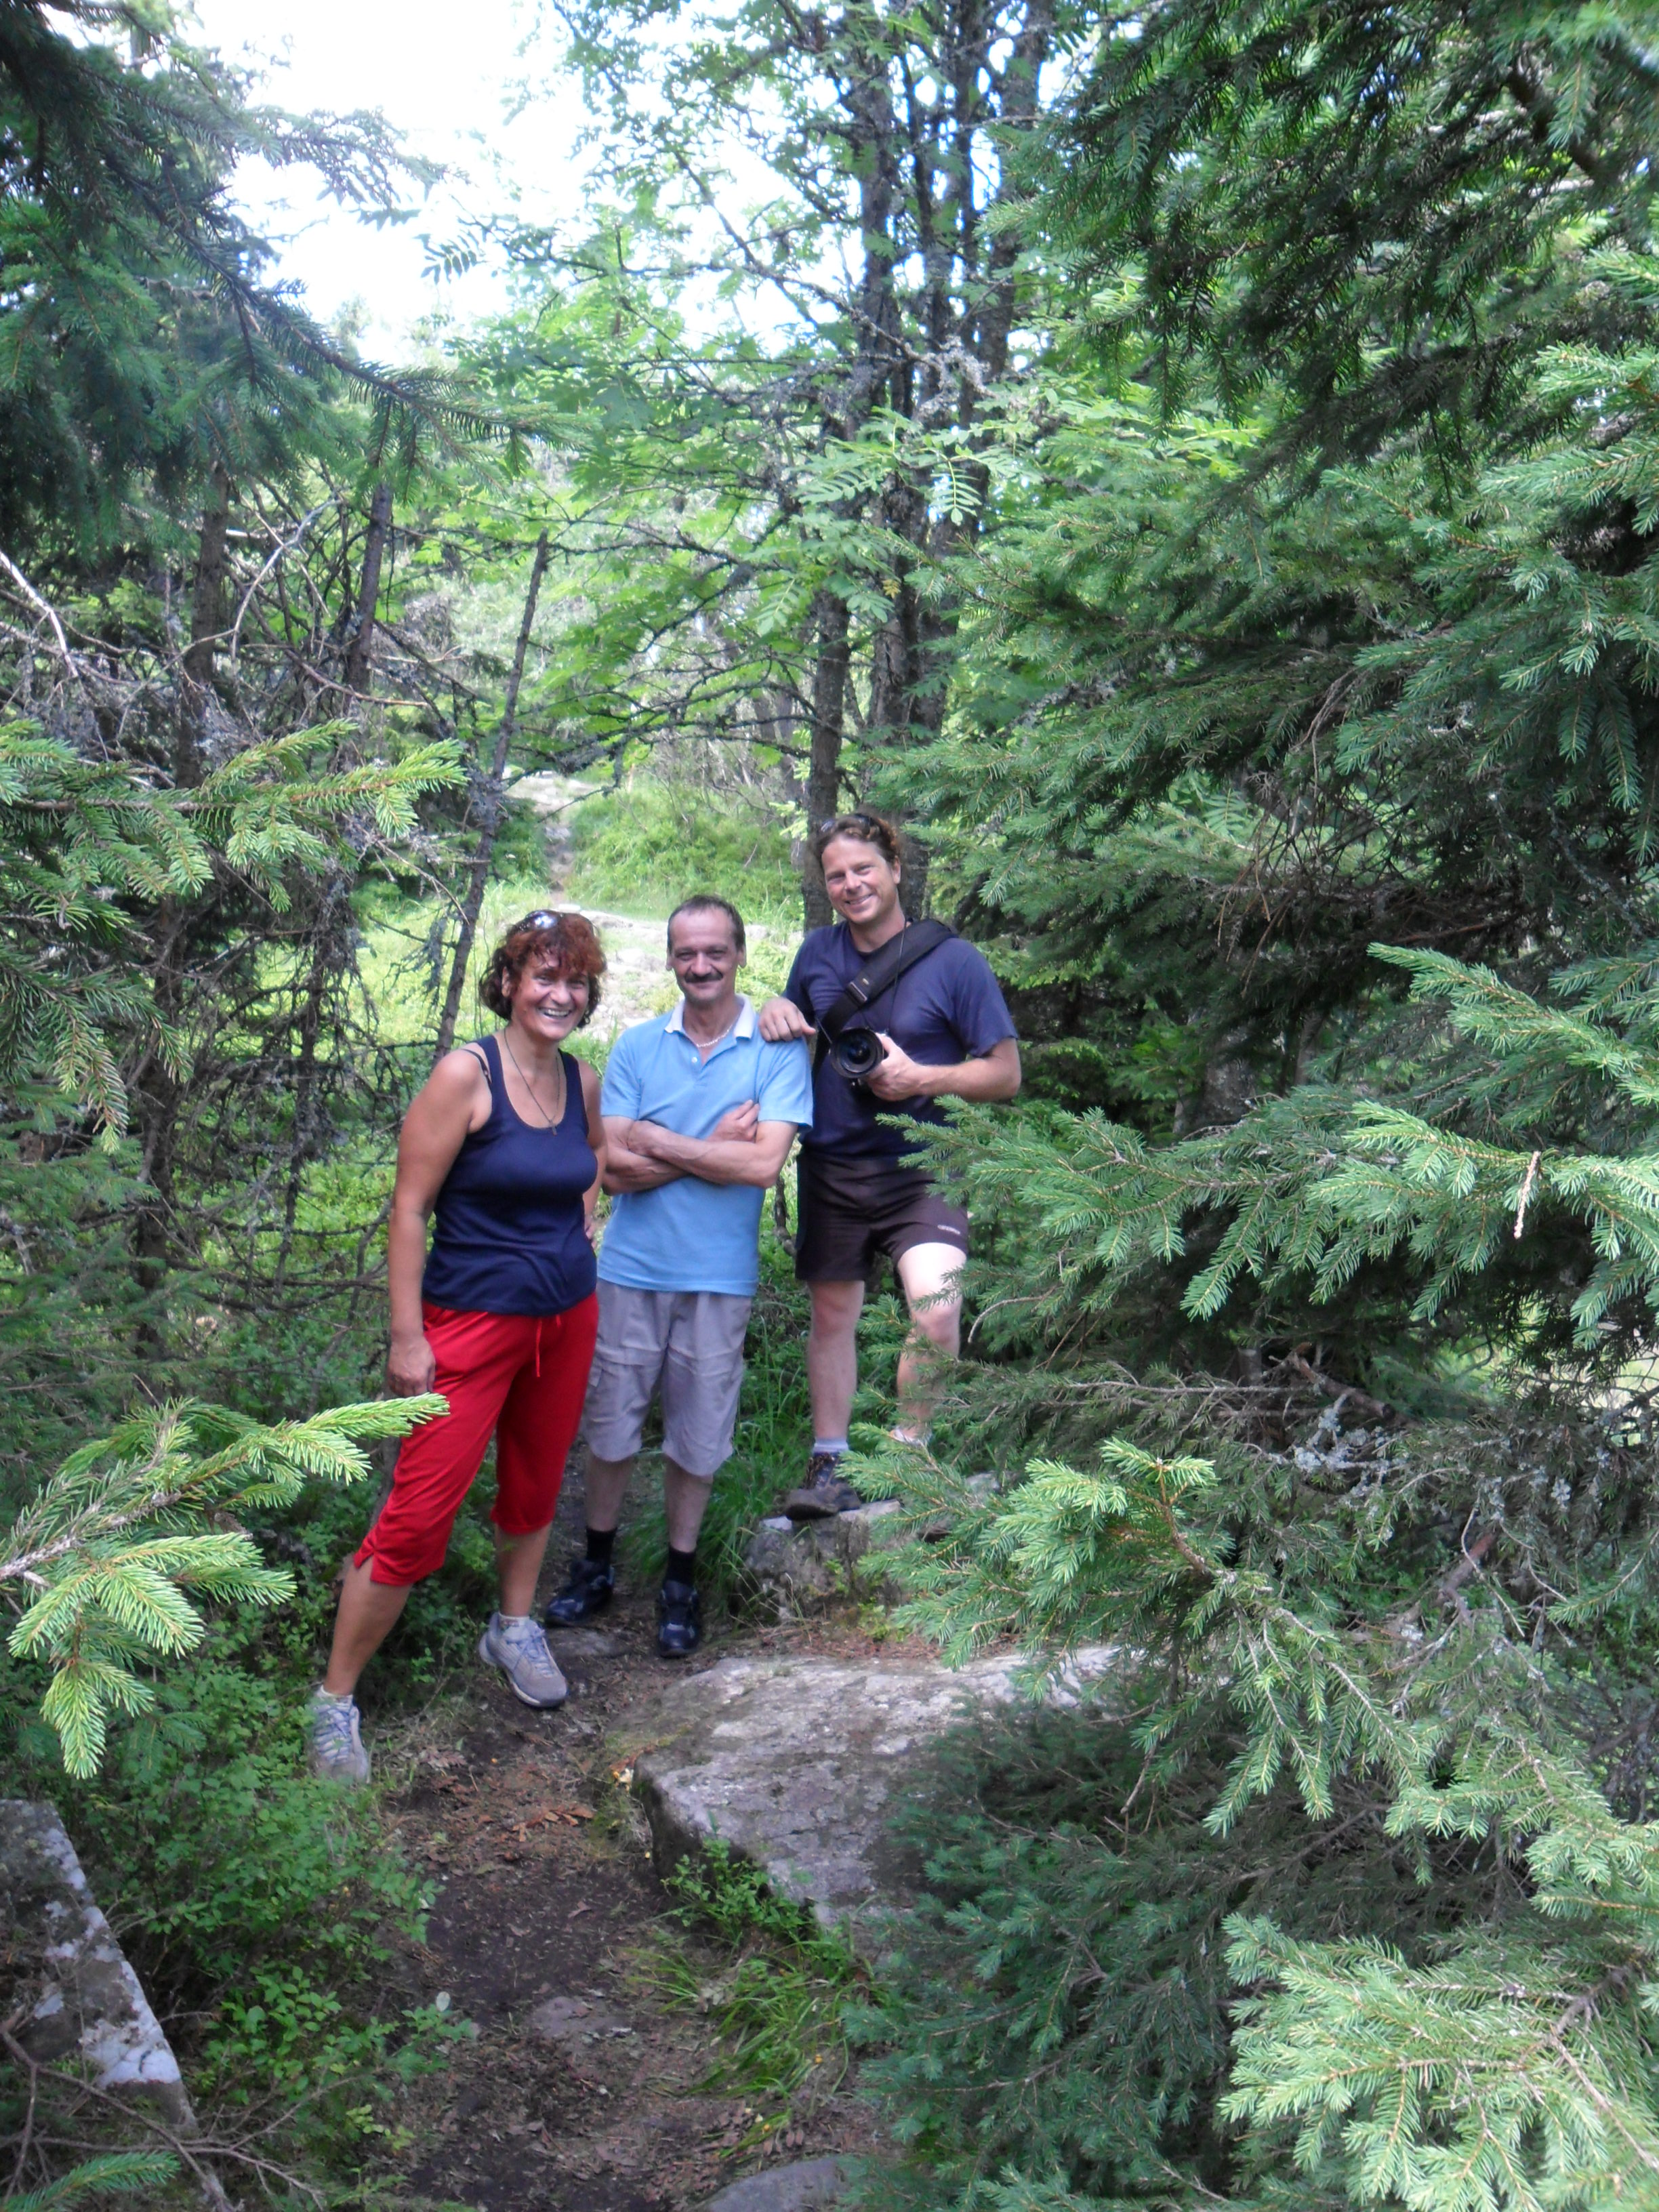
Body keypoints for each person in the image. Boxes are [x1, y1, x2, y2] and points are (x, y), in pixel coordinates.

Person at [308, 910, 608, 1784]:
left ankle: (512, 1627)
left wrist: (582, 1228)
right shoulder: (464, 1075)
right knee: (417, 1514)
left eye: (576, 981)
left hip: (565, 1320)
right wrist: (408, 1337)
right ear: (508, 983)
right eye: (544, 976)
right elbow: (409, 1209)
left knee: (536, 1482)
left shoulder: (582, 1079)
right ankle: (333, 1702)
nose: (561, 995)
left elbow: (590, 1158)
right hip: (468, 1326)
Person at [544, 895, 813, 1656]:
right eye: (687, 953)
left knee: (699, 1436)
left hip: (719, 1279)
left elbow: (761, 1167)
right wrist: (711, 1144)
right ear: (669, 958)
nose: (701, 966)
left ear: (739, 954)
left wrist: (658, 1140)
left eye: (715, 952)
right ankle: (596, 1564)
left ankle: (680, 1581)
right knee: (610, 1424)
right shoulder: (637, 1047)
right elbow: (612, 1172)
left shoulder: (775, 1049)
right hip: (630, 1271)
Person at [757, 811, 1020, 1517]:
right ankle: (830, 1463)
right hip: (834, 1166)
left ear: (896, 870)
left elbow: (1005, 1073)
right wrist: (775, 1009)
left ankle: (908, 1455)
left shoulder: (954, 962)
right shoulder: (817, 954)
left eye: (864, 869)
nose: (851, 884)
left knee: (937, 1311)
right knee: (832, 1317)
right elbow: (793, 1033)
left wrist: (920, 1079)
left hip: (925, 1169)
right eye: (836, 875)